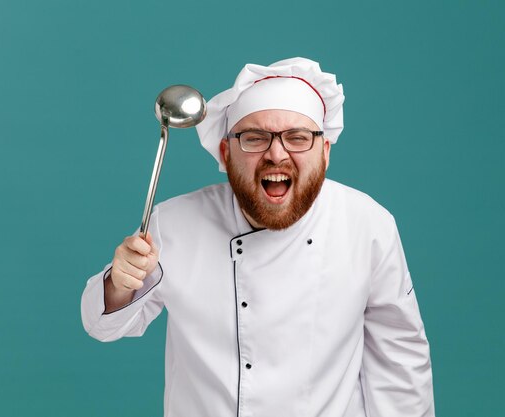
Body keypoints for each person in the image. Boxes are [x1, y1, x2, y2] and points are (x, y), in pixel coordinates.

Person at [81, 57, 435, 417]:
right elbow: (103, 325)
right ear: (226, 153)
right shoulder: (174, 223)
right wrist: (120, 282)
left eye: (297, 138)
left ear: (325, 152)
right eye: (254, 138)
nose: (276, 154)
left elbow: (400, 362)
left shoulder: (368, 226)